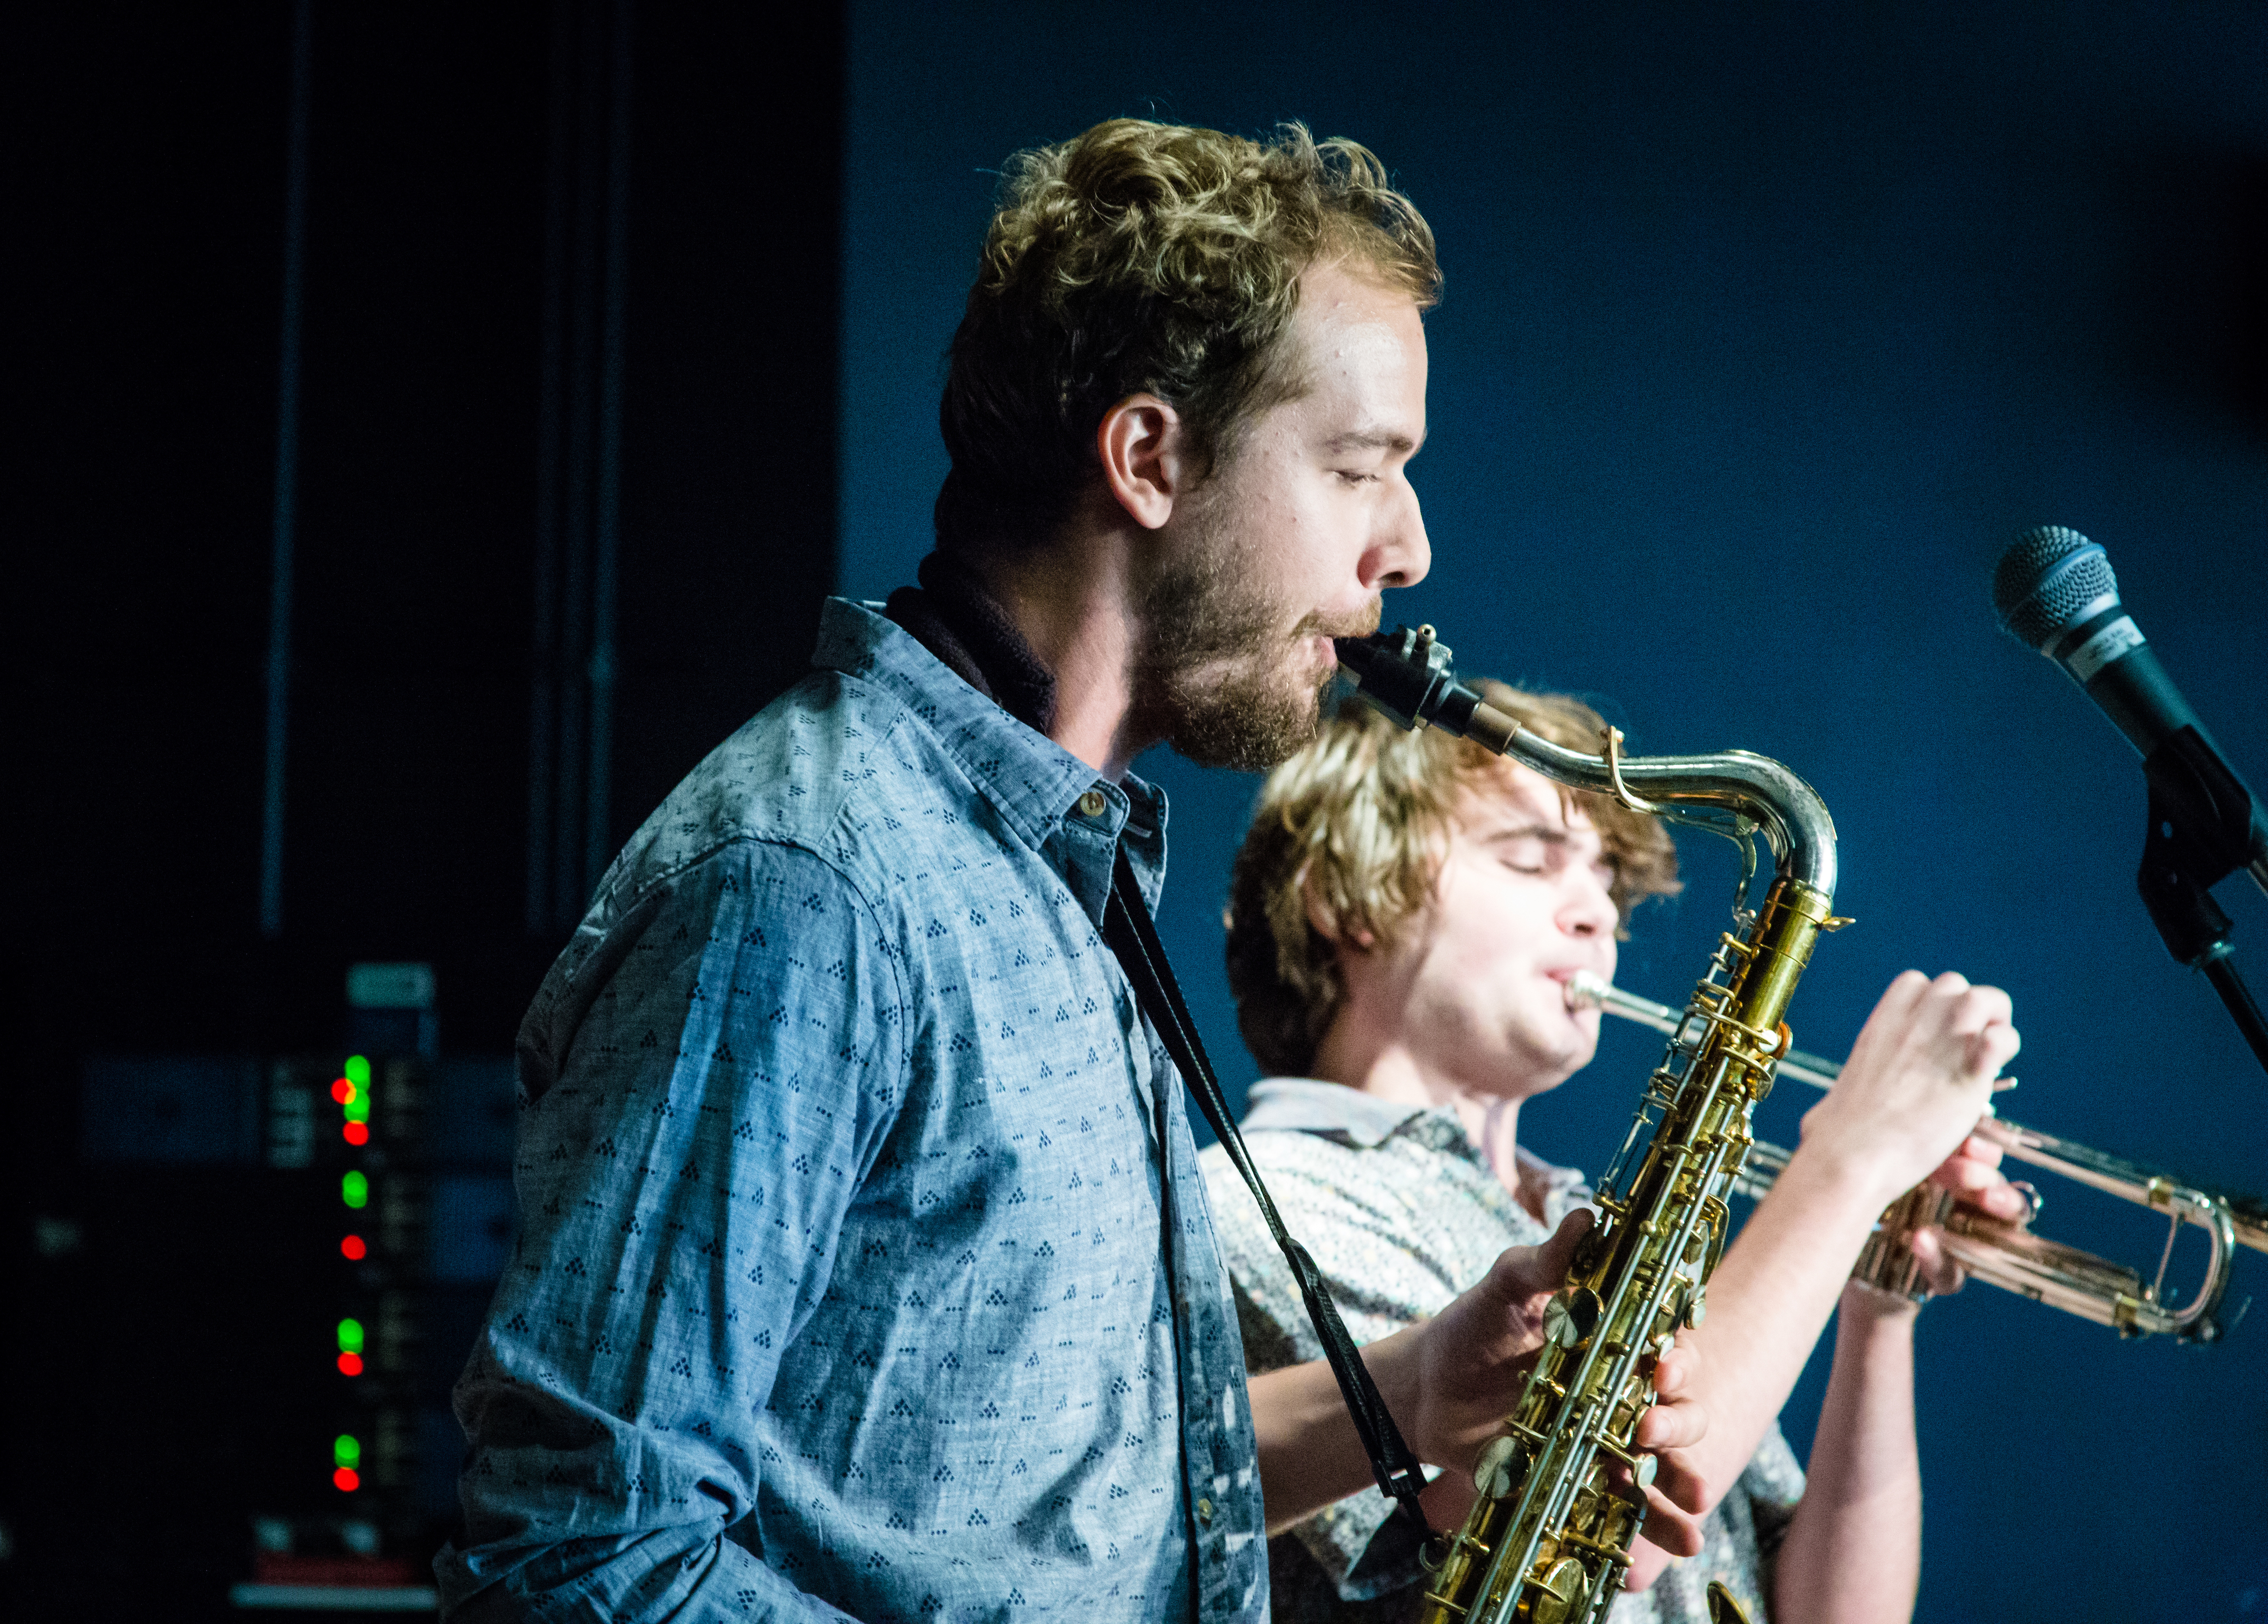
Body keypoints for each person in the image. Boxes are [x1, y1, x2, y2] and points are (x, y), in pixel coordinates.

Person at [433, 119, 1720, 1622]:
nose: (1410, 549)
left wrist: (1422, 1387)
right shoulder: (807, 886)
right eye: (1362, 467)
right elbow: (578, 1557)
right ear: (1149, 456)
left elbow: (1036, 1516)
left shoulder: (1056, 866)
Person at [1207, 694, 2024, 1622]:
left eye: (1607, 883)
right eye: (1529, 859)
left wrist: (1877, 1300)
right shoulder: (1263, 1202)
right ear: (1339, 897)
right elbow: (1573, 1517)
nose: (1598, 913)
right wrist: (1850, 1161)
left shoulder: (1572, 1211)